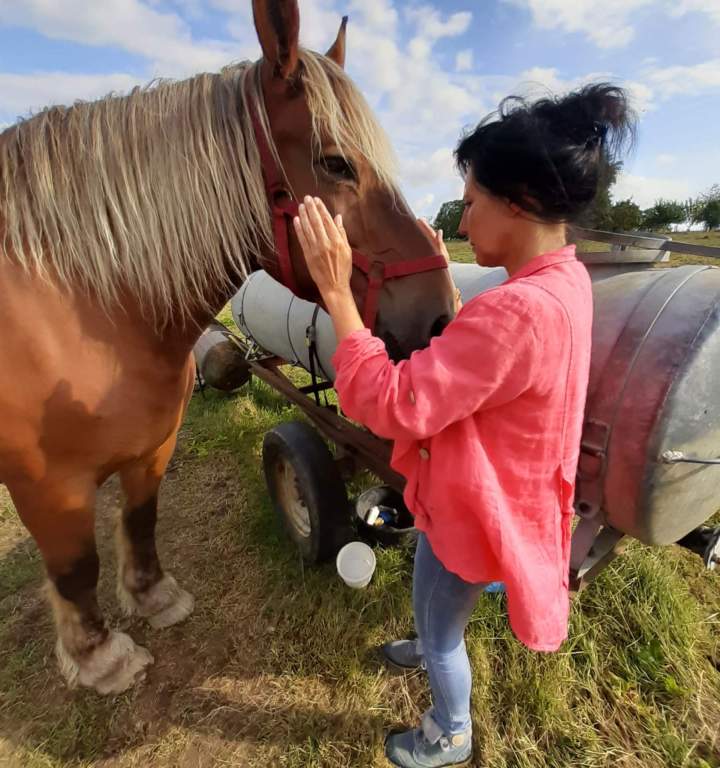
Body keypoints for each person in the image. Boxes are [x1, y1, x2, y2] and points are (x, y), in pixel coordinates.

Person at [293, 83, 635, 768]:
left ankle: (449, 731)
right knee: (431, 587)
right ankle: (426, 641)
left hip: (476, 512)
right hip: (486, 495)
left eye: (472, 201)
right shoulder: (562, 283)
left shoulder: (514, 314)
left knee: (445, 624)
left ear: (521, 203)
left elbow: (391, 403)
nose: (463, 216)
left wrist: (337, 293)